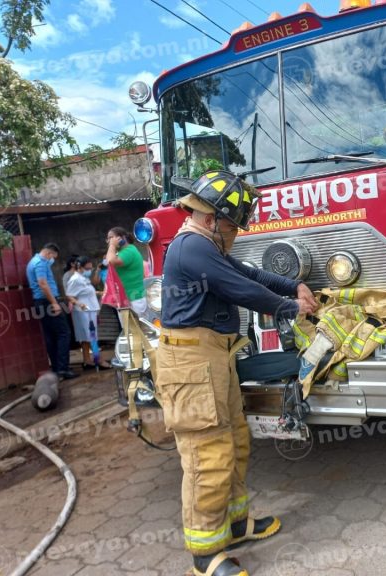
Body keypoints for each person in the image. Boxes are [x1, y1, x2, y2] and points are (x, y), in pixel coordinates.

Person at [157, 170, 318, 576]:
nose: (235, 233)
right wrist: (290, 308)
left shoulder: (204, 244)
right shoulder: (192, 247)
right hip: (191, 365)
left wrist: (292, 285)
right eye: (233, 225)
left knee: (234, 442)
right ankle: (204, 555)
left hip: (215, 360)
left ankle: (235, 524)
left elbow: (249, 274)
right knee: (207, 456)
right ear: (212, 218)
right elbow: (240, 289)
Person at [26, 242, 76, 380]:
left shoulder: (34, 261)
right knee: (64, 333)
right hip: (48, 302)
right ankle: (63, 369)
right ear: (48, 253)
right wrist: (54, 303)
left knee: (51, 335)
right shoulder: (40, 263)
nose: (52, 260)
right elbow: (42, 283)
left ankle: (57, 367)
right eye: (52, 256)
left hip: (40, 302)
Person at [66, 256, 111, 370]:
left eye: (90, 268)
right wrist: (78, 303)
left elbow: (84, 291)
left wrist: (96, 292)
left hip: (89, 310)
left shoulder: (82, 278)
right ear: (80, 267)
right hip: (84, 311)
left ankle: (87, 360)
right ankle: (98, 360)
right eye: (87, 268)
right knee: (92, 336)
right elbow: (69, 295)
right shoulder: (75, 279)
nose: (89, 270)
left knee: (86, 337)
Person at [106, 227, 146, 315]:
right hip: (127, 299)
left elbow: (110, 261)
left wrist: (112, 245)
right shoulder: (124, 252)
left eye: (111, 237)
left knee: (139, 328)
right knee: (129, 328)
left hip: (135, 299)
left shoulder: (129, 251)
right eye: (108, 239)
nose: (109, 241)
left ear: (122, 238)